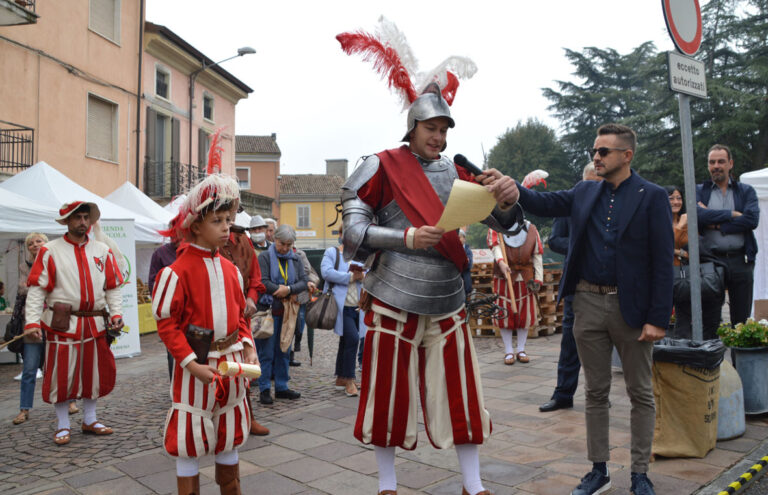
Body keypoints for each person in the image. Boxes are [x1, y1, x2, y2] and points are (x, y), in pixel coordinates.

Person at [338, 33, 520, 492]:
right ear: (412, 127)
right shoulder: (380, 165)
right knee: (387, 395)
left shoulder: (458, 170)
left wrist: (506, 196)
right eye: (431, 128)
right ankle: (386, 483)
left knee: (463, 394)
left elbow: (505, 223)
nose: (438, 137)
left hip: (447, 297)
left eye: (443, 129)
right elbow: (352, 234)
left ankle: (474, 483)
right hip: (391, 293)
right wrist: (406, 236)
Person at [514, 123, 672, 495]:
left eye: (603, 152)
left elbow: (663, 262)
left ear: (626, 155)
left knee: (640, 393)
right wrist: (512, 189)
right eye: (594, 152)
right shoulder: (585, 191)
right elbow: (544, 202)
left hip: (631, 309)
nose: (596, 157)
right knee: (595, 392)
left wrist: (657, 318)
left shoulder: (652, 196)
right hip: (586, 303)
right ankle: (598, 470)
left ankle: (639, 473)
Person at [152, 174, 257, 495]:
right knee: (190, 438)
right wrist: (191, 364)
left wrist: (248, 347)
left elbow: (240, 317)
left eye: (229, 219)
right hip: (194, 368)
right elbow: (167, 324)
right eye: (217, 220)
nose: (227, 227)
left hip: (232, 363)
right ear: (195, 225)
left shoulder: (232, 271)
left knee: (229, 433)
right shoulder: (175, 272)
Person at [24, 202, 125, 446]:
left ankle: (90, 419)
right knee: (62, 375)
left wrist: (117, 314)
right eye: (77, 217)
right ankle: (62, 425)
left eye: (85, 217)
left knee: (93, 373)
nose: (82, 222)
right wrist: (31, 322)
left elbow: (112, 287)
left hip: (95, 323)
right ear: (67, 221)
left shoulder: (103, 250)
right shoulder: (50, 250)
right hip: (62, 324)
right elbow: (37, 290)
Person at [540, 163, 601, 413]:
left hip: (608, 284)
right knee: (570, 339)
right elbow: (554, 239)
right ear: (581, 181)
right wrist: (582, 245)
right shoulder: (570, 202)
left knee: (604, 341)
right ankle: (563, 393)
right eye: (590, 182)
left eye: (598, 182)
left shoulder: (612, 205)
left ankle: (600, 394)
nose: (594, 187)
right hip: (576, 281)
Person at [696, 144, 759, 326]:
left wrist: (716, 224)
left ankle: (739, 355)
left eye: (721, 161)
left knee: (741, 321)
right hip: (711, 262)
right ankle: (713, 355)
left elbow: (751, 220)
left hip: (741, 261)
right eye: (712, 162)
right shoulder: (700, 191)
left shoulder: (746, 191)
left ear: (730, 164)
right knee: (711, 319)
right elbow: (698, 216)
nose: (716, 165)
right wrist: (731, 214)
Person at [219, 214, 269, 436]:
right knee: (220, 369)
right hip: (218, 317)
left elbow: (255, 277)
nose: (225, 223)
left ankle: (248, 417)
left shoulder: (243, 239)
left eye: (228, 216)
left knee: (246, 365)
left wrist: (251, 297)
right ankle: (221, 421)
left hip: (243, 316)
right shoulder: (207, 242)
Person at [256, 224, 307, 405]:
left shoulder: (296, 259)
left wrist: (289, 289)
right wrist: (281, 289)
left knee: (284, 350)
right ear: (274, 240)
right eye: (281, 244)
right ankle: (264, 389)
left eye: (288, 244)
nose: (284, 248)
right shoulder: (264, 257)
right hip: (269, 312)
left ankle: (282, 387)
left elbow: (303, 281)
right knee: (267, 352)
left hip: (288, 313)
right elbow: (263, 281)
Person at [667, 185, 726, 340]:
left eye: (679, 198)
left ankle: (703, 355)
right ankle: (681, 357)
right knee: (681, 321)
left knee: (703, 318)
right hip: (671, 278)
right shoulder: (660, 221)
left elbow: (697, 245)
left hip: (691, 276)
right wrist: (679, 248)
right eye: (671, 198)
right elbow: (660, 246)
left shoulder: (688, 220)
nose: (676, 201)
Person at [487, 220, 542, 365]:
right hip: (504, 274)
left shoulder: (531, 229)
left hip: (525, 276)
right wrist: (501, 262)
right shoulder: (497, 226)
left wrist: (539, 278)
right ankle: (508, 350)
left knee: (525, 315)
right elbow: (495, 246)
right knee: (505, 314)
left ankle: (521, 349)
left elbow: (537, 254)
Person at [321, 224, 365, 397]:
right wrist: (350, 277)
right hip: (340, 307)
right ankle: (349, 379)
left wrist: (362, 275)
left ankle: (340, 378)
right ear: (340, 235)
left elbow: (369, 273)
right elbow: (326, 272)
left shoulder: (359, 255)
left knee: (346, 341)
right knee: (353, 339)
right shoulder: (332, 252)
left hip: (357, 306)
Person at [290, 247, 318, 367]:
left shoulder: (300, 254)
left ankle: (295, 347)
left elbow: (306, 270)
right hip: (287, 294)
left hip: (301, 294)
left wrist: (292, 273)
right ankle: (289, 354)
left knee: (300, 322)